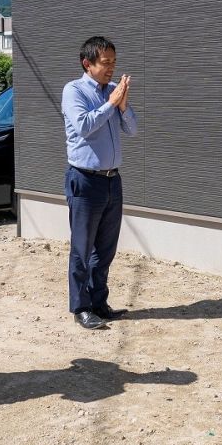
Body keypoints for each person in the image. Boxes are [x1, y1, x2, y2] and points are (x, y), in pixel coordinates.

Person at [61, 36, 138, 330]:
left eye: (114, 62)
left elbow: (132, 129)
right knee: (82, 248)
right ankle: (80, 307)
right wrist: (111, 103)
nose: (111, 68)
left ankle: (99, 302)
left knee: (105, 248)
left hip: (111, 180)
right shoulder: (74, 90)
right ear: (87, 63)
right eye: (106, 63)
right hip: (84, 180)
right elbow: (84, 126)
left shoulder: (113, 93)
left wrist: (122, 104)